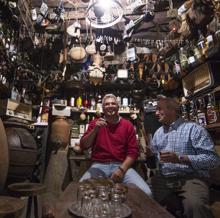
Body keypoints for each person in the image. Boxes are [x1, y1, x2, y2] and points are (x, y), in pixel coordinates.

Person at [146, 94, 220, 218]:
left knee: (194, 206)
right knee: (142, 193)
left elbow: (212, 160)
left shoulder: (194, 129)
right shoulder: (158, 133)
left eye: (159, 109)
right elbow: (156, 159)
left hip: (191, 178)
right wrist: (150, 155)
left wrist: (180, 158)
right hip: (164, 178)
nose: (156, 113)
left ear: (172, 110)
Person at [79, 93, 152, 196]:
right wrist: (95, 130)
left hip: (121, 165)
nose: (110, 106)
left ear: (118, 107)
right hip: (99, 165)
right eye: (107, 104)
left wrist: (121, 170)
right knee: (81, 190)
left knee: (147, 193)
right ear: (103, 108)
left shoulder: (127, 125)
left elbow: (133, 151)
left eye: (113, 103)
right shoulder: (95, 123)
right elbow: (84, 145)